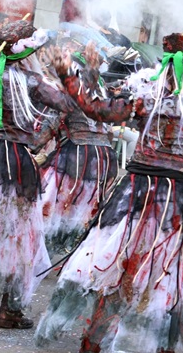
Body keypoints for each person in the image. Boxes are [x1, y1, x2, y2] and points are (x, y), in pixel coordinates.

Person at [35, 33, 183, 353]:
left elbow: (94, 108)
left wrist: (67, 74)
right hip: (170, 199)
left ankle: (93, 343)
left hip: (138, 193)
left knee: (121, 267)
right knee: (165, 274)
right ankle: (146, 344)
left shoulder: (147, 100)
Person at [0, 21, 74, 329]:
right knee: (18, 237)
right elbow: (69, 104)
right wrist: (67, 74)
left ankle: (10, 310)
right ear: (28, 55)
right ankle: (9, 311)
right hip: (13, 162)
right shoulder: (31, 81)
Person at [40, 51, 119, 257]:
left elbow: (51, 124)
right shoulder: (101, 93)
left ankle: (48, 252)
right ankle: (76, 254)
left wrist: (31, 147)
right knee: (86, 207)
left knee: (55, 205)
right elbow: (109, 131)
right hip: (104, 158)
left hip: (77, 156)